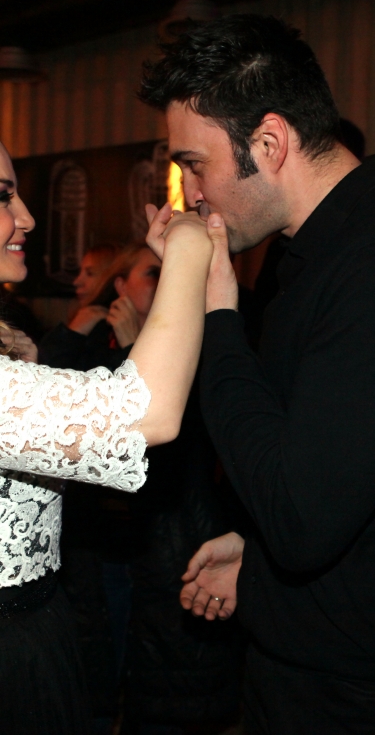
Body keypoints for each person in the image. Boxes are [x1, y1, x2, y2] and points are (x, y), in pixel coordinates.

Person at [139, 14, 375, 735]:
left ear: (269, 144)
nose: (190, 193)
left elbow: (302, 520)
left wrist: (218, 314)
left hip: (373, 694)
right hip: (313, 664)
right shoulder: (315, 256)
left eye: (195, 164)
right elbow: (326, 472)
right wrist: (256, 550)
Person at [0, 140, 213, 735]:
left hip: (38, 630)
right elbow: (144, 416)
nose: (27, 217)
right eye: (2, 196)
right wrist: (188, 252)